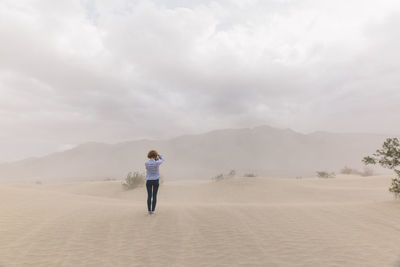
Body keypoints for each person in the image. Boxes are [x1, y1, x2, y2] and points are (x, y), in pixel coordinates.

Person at [145, 150, 164, 215]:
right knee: (154, 195)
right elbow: (162, 159)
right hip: (156, 180)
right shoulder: (157, 162)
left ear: (149, 155)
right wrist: (158, 155)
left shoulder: (146, 163)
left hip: (149, 180)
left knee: (149, 196)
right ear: (155, 155)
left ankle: (149, 210)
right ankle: (153, 210)